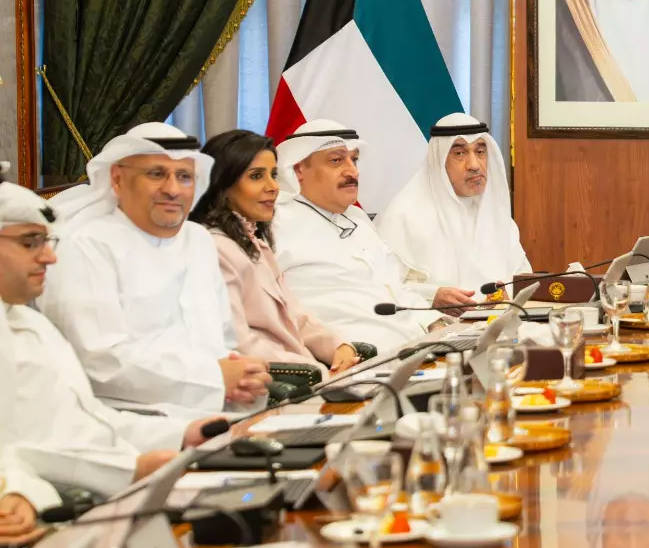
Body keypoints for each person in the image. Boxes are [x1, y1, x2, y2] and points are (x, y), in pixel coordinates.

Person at [2, 182, 223, 499]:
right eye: (29, 243)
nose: (49, 258)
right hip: (61, 500)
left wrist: (183, 432)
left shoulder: (33, 326)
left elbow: (91, 421)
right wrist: (130, 470)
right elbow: (17, 450)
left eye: (46, 242)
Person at [39, 123, 268, 415]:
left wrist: (242, 375)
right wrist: (214, 378)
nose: (172, 189)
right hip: (129, 417)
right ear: (117, 179)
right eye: (156, 174)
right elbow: (101, 362)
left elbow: (223, 340)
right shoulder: (86, 246)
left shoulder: (198, 239)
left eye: (184, 176)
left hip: (217, 407)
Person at [272, 119, 468, 353]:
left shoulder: (357, 219)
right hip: (352, 360)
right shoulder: (275, 224)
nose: (352, 171)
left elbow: (394, 285)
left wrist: (434, 324)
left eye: (354, 160)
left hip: (416, 349)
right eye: (336, 161)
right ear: (298, 169)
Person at [191, 130, 362, 375]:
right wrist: (317, 372)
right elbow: (237, 343)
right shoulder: (214, 250)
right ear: (222, 184)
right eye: (256, 176)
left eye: (273, 175)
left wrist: (338, 346)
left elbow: (294, 315)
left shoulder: (255, 243)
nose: (273, 187)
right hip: (270, 383)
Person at [375, 113, 531, 291]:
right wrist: (434, 296)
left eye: (480, 152)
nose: (474, 165)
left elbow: (524, 281)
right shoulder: (404, 215)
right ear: (439, 161)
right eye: (459, 153)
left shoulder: (498, 217)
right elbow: (383, 289)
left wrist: (508, 296)